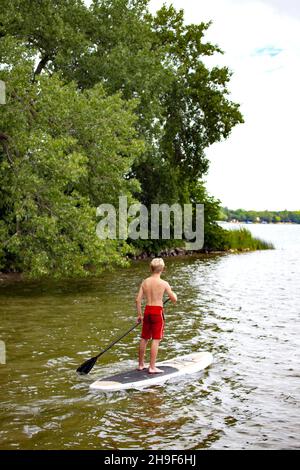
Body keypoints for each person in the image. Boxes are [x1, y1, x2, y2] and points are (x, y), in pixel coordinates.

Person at [136, 258, 177, 374]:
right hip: (157, 312)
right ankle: (152, 367)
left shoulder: (145, 282)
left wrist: (139, 315)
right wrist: (174, 294)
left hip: (147, 311)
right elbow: (174, 299)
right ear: (162, 269)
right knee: (156, 339)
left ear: (151, 268)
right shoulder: (164, 283)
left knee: (144, 338)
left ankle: (140, 365)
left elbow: (138, 300)